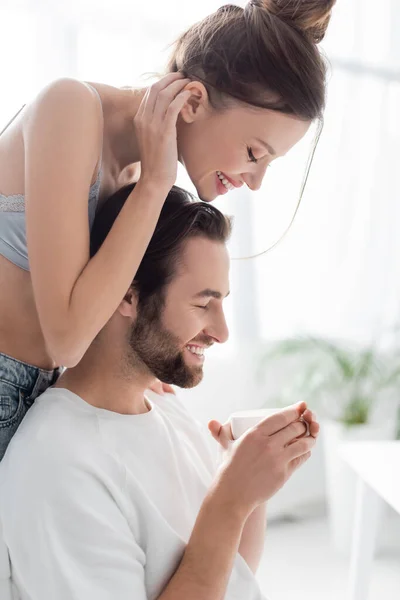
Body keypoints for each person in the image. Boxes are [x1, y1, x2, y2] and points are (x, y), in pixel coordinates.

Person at [0, 0, 335, 460]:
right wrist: (156, 185)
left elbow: (105, 317)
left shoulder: (141, 174)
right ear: (194, 100)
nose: (254, 182)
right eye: (256, 154)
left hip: (38, 400)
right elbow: (67, 339)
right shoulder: (72, 108)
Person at [0, 183, 319, 599]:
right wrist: (229, 502)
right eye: (203, 305)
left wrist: (251, 489)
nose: (222, 333)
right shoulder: (59, 463)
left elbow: (230, 579)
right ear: (128, 296)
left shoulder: (165, 410)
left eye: (222, 302)